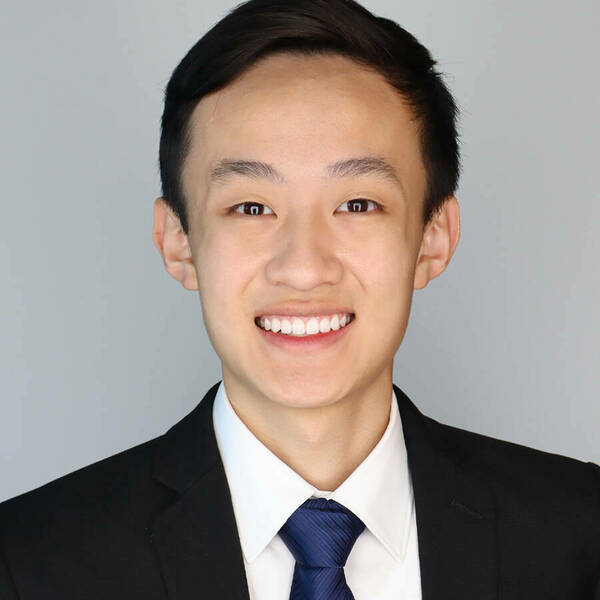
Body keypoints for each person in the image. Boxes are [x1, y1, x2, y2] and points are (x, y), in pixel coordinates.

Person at [1, 0, 598, 598]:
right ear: (179, 243)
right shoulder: (27, 562)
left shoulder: (580, 537)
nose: (305, 268)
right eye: (251, 207)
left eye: (357, 205)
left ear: (432, 239)